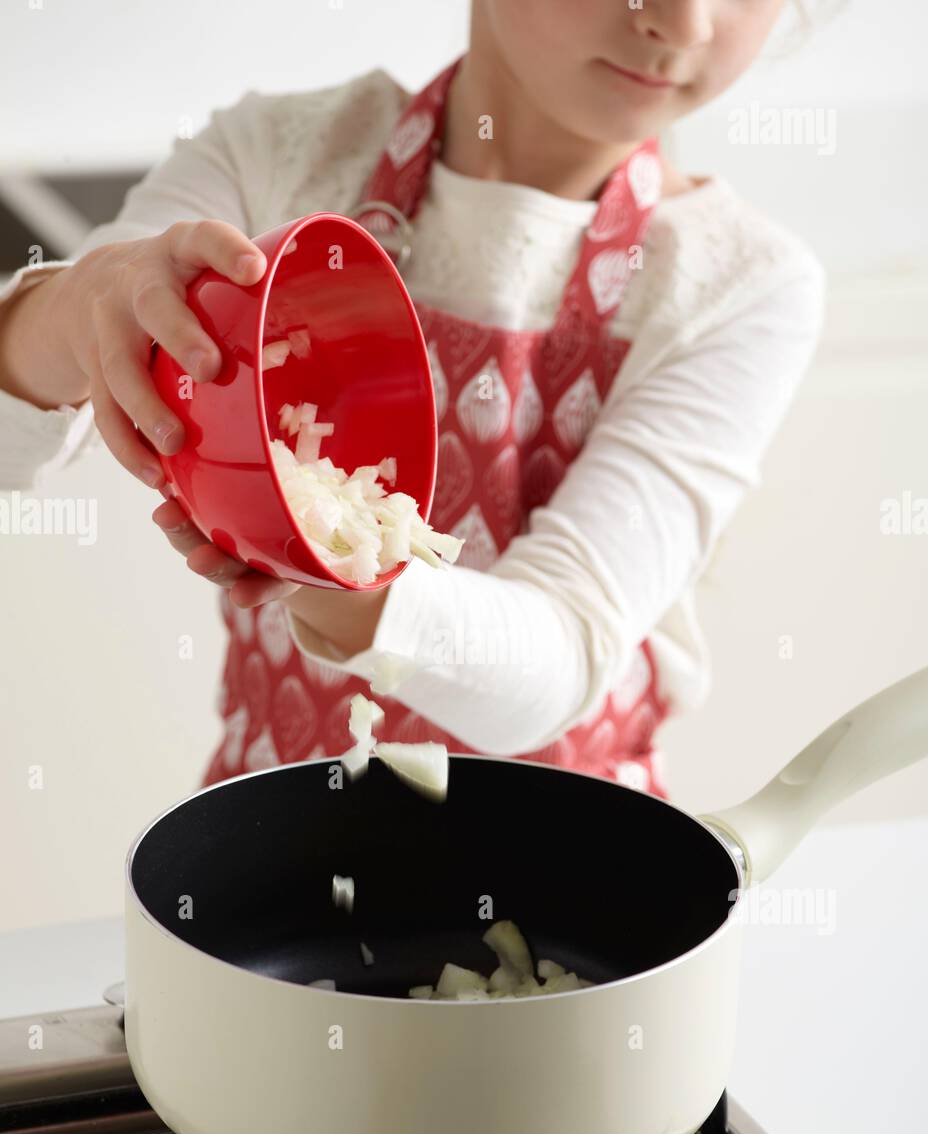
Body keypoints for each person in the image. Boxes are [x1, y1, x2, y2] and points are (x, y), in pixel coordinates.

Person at [0, 0, 826, 797]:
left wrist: (336, 557)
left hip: (566, 882)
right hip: (268, 841)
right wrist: (81, 305)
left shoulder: (737, 283)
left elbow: (563, 654)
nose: (680, 22)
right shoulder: (277, 156)